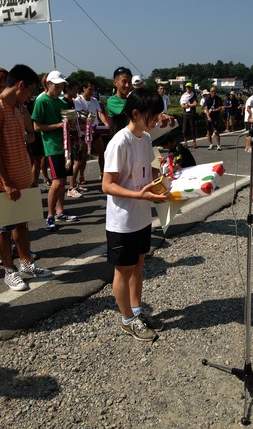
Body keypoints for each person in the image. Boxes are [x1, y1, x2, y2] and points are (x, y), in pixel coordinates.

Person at [102, 87, 168, 341]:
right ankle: (127, 319)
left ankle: (137, 310)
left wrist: (167, 177)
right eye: (153, 116)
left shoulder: (146, 139)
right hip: (123, 220)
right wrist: (140, 195)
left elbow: (148, 172)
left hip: (142, 216)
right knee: (123, 271)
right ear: (136, 113)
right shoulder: (120, 142)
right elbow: (107, 185)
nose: (157, 121)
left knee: (139, 266)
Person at [0, 64, 52, 291]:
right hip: (1, 182)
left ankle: (26, 264)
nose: (29, 96)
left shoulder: (15, 108)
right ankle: (9, 270)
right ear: (20, 85)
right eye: (29, 91)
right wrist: (6, 183)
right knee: (2, 229)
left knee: (22, 224)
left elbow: (22, 144)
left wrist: (29, 177)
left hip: (22, 178)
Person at [32, 71, 79, 231]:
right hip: (52, 146)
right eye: (57, 86)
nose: (59, 89)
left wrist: (72, 124)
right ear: (48, 84)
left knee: (63, 180)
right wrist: (58, 126)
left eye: (61, 86)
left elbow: (68, 122)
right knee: (57, 181)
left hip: (65, 146)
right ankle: (50, 215)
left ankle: (60, 211)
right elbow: (37, 127)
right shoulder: (41, 101)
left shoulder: (62, 102)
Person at [74, 80, 110, 183]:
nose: (92, 92)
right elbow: (81, 115)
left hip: (95, 130)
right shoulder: (78, 100)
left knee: (102, 152)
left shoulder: (95, 100)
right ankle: (81, 175)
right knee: (84, 156)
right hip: (85, 131)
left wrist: (106, 125)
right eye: (90, 89)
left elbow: (100, 114)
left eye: (93, 90)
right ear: (84, 88)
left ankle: (103, 173)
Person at [107, 67, 132, 134]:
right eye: (124, 82)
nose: (127, 85)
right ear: (115, 82)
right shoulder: (112, 101)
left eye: (129, 82)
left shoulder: (132, 99)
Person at [180, 82, 198, 149]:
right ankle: (186, 143)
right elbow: (182, 105)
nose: (188, 88)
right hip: (185, 114)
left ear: (191, 88)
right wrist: (189, 105)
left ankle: (194, 143)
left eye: (189, 87)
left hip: (192, 113)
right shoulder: (183, 96)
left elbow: (195, 104)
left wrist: (187, 105)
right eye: (187, 87)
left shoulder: (193, 95)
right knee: (185, 128)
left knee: (193, 128)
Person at [204, 86, 222, 151]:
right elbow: (206, 108)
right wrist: (208, 117)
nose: (213, 93)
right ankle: (211, 144)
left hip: (215, 116)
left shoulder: (218, 99)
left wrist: (215, 110)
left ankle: (218, 145)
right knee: (208, 131)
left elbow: (220, 107)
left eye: (215, 91)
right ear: (210, 92)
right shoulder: (207, 99)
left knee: (216, 131)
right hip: (208, 115)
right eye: (212, 91)